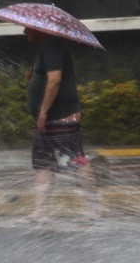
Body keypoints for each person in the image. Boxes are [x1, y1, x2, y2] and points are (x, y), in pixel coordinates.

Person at [23, 27, 99, 222]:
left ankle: (93, 209)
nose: (24, 31)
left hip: (59, 116)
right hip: (47, 119)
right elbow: (49, 77)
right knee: (43, 164)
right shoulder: (47, 47)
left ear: (37, 28)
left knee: (77, 160)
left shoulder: (53, 44)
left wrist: (44, 112)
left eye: (27, 28)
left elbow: (55, 80)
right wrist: (35, 79)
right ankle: (39, 212)